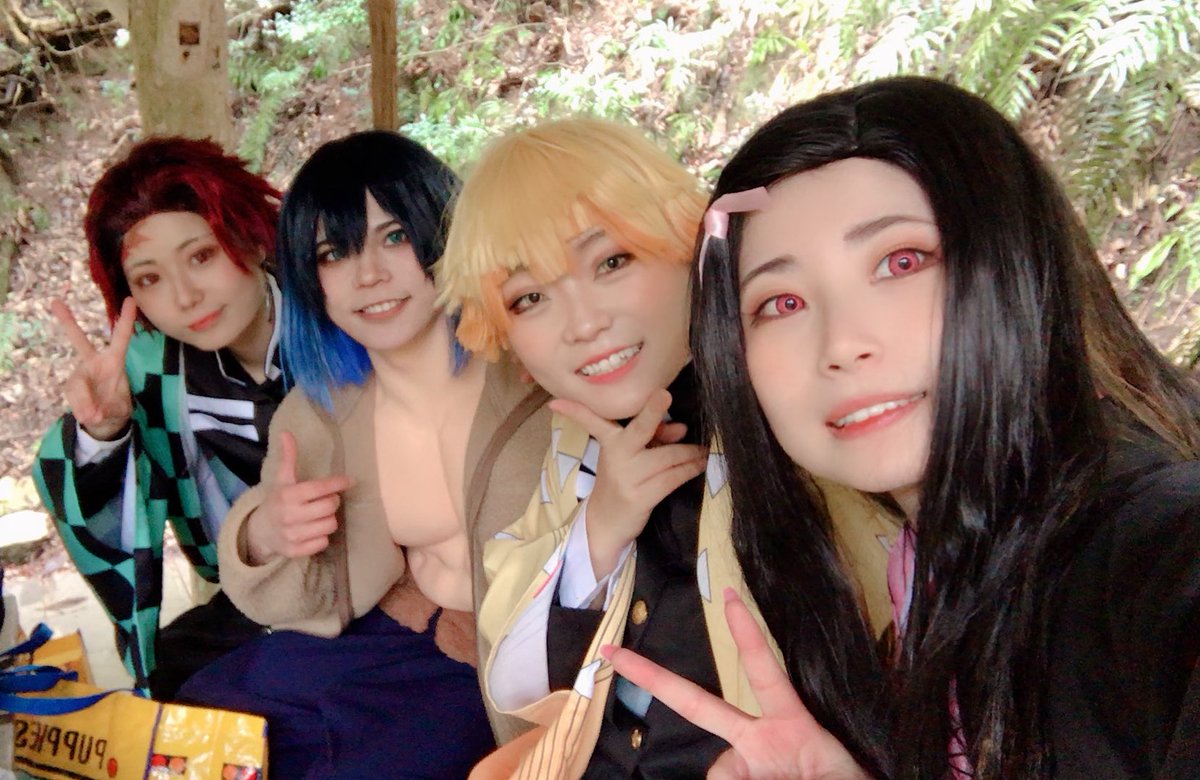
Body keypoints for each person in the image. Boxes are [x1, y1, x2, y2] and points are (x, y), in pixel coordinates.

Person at [604, 76, 1200, 779]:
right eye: (781, 302)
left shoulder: (1153, 553)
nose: (841, 343)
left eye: (900, 262)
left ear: (1014, 267)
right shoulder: (919, 578)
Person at [437, 117, 892, 777]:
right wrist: (601, 529)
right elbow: (516, 682)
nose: (584, 323)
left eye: (611, 261)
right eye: (529, 297)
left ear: (688, 246)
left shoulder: (792, 397)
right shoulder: (570, 448)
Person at [177, 130, 550, 778]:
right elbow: (298, 600)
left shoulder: (532, 367)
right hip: (398, 631)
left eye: (394, 236)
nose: (368, 274)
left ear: (444, 232)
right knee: (200, 718)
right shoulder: (319, 412)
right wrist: (265, 535)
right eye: (334, 253)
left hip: (518, 662)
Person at [32, 137, 282, 697]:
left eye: (202, 256)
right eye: (149, 279)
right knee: (173, 684)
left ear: (250, 236)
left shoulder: (336, 310)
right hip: (259, 596)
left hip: (397, 582)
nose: (186, 297)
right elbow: (83, 495)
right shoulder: (147, 368)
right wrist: (103, 434)